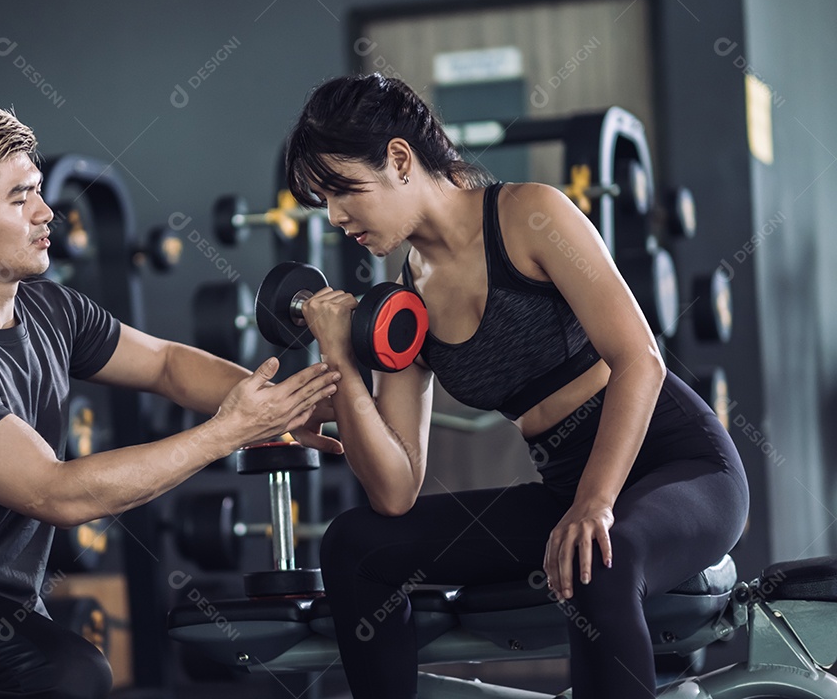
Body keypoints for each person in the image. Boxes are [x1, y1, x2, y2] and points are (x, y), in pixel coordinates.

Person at [0, 94, 341, 699]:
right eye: (20, 198)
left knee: (67, 668)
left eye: (40, 190)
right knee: (70, 672)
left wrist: (290, 405)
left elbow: (167, 366)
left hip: (0, 603)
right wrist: (228, 431)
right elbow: (55, 492)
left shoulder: (51, 308)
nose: (47, 213)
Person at [286, 74, 749, 699]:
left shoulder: (531, 216)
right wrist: (340, 358)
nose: (336, 216)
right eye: (324, 200)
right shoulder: (401, 302)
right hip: (566, 487)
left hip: (679, 465)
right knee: (355, 544)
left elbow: (640, 360)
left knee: (598, 561)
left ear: (399, 159)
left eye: (343, 190)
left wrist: (595, 503)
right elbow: (395, 491)